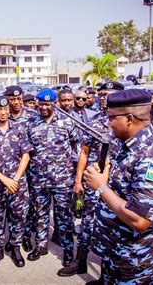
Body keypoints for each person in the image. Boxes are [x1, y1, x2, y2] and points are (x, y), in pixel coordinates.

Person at [83, 89, 153, 284]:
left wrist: (100, 188)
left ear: (129, 119)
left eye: (112, 118)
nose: (108, 123)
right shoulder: (128, 144)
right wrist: (103, 175)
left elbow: (140, 220)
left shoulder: (151, 158)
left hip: (134, 260)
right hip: (116, 251)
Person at [59, 81, 124, 278]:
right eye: (101, 94)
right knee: (87, 224)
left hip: (118, 186)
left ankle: (107, 274)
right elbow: (84, 153)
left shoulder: (128, 123)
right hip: (94, 183)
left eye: (108, 94)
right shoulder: (95, 123)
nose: (104, 97)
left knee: (114, 228)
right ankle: (80, 263)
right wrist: (78, 181)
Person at [25, 88, 77, 267]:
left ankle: (68, 251)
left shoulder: (68, 122)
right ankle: (41, 246)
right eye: (42, 104)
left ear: (54, 103)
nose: (45, 107)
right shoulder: (31, 123)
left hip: (62, 179)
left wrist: (76, 177)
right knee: (40, 214)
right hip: (39, 179)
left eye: (48, 104)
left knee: (64, 217)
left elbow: (76, 147)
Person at [0, 96, 32, 268]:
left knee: (18, 216)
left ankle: (16, 248)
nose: (3, 112)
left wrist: (15, 179)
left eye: (5, 109)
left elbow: (26, 154)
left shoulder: (19, 129)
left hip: (17, 183)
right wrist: (4, 179)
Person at [3, 85, 37, 252]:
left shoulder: (32, 116)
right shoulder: (0, 114)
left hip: (31, 168)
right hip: (9, 167)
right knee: (9, 204)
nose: (16, 102)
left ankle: (24, 236)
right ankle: (10, 237)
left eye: (19, 99)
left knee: (26, 206)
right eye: (12, 99)